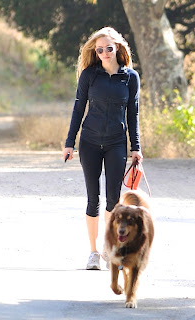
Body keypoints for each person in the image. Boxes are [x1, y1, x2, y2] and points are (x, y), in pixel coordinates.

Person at [63, 26, 143, 270]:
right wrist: (70, 143)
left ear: (117, 47)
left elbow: (133, 114)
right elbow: (78, 110)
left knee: (113, 199)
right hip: (89, 142)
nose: (105, 53)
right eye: (100, 50)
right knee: (92, 198)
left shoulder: (130, 78)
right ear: (95, 52)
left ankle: (111, 248)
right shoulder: (89, 75)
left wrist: (135, 147)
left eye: (109, 48)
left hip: (116, 143)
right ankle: (93, 252)